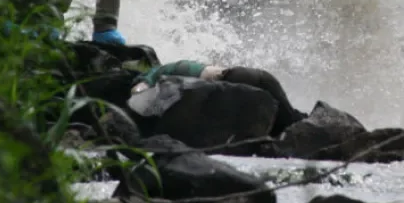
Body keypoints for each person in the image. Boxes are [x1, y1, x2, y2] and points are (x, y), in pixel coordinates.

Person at [129, 60, 307, 137]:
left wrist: (138, 90)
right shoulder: (179, 73)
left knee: (286, 124)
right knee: (288, 121)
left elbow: (139, 89)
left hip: (238, 79)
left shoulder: (160, 74)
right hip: (250, 77)